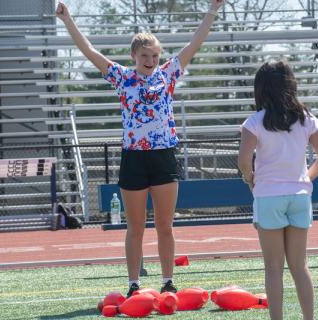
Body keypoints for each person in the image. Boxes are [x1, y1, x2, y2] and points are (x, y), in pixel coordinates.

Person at [56, 0, 225, 297]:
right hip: (134, 157)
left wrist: (212, 10)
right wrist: (68, 20)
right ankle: (133, 283)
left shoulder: (168, 74)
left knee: (165, 225)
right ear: (134, 55)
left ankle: (167, 280)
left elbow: (194, 43)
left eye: (155, 55)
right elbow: (90, 52)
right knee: (135, 227)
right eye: (145, 55)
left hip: (163, 156)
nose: (150, 59)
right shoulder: (122, 77)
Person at [238, 59, 318, 320]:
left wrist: (250, 178)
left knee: (273, 268)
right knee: (300, 267)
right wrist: (306, 178)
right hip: (299, 196)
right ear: (290, 84)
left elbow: (244, 161)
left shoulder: (254, 121)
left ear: (261, 89)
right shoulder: (306, 118)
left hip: (268, 196)